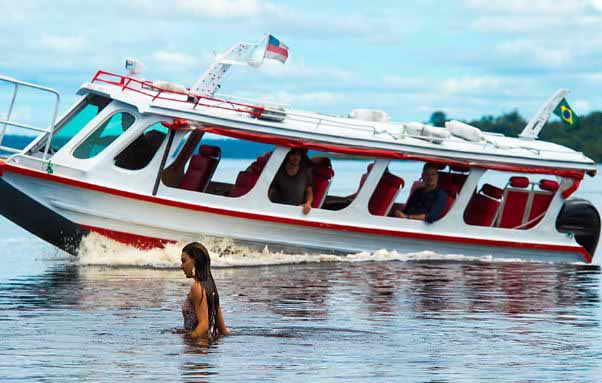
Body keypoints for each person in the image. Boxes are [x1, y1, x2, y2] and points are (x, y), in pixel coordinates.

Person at [180, 242, 229, 338]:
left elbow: (204, 325)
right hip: (204, 346)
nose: (181, 266)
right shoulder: (210, 286)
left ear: (195, 261)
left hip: (196, 348)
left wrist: (188, 340)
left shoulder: (197, 287)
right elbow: (222, 329)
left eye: (184, 261)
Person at [269, 148, 314, 215]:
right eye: (293, 154)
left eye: (298, 154)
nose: (296, 157)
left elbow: (309, 191)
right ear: (287, 156)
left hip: (297, 211)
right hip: (278, 210)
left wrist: (308, 203)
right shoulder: (278, 172)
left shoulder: (305, 172)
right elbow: (271, 190)